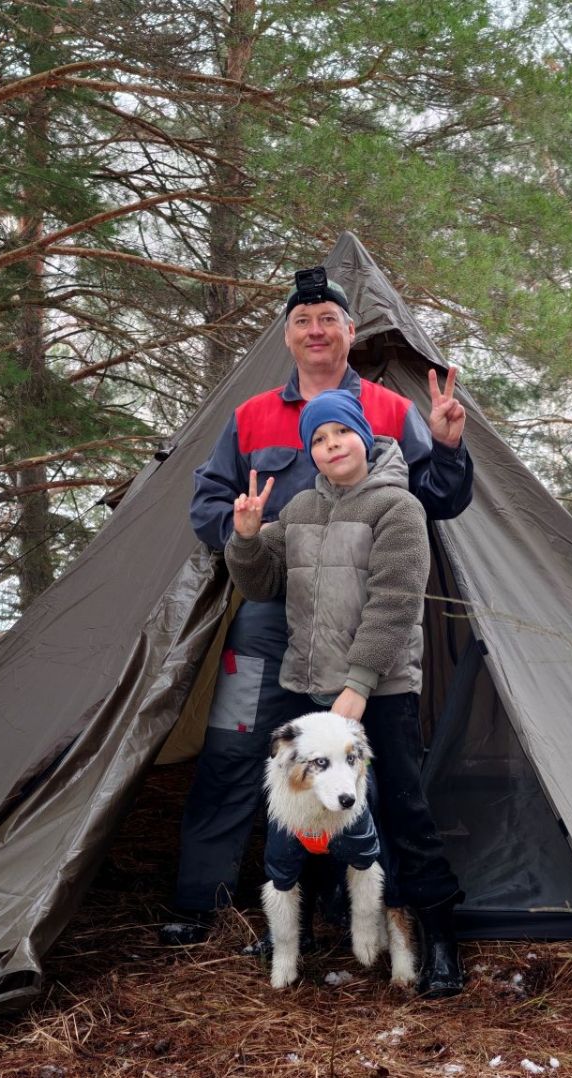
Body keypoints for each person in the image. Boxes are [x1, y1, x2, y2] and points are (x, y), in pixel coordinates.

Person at [165, 266, 472, 993]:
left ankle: (378, 915)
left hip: (367, 635)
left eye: (328, 319)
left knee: (383, 784)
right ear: (288, 336)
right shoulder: (251, 418)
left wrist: (450, 447)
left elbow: (432, 503)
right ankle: (219, 905)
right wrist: (245, 531)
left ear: (348, 332)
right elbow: (215, 510)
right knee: (247, 758)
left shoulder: (394, 413)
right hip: (279, 629)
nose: (315, 331)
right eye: (302, 321)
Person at [226, 389, 460, 996]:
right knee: (302, 811)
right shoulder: (301, 509)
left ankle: (437, 943)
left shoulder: (398, 507)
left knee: (401, 812)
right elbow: (260, 584)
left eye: (340, 434)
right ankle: (319, 928)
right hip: (308, 690)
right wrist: (247, 539)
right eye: (318, 440)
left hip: (379, 692)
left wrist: (358, 687)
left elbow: (395, 604)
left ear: (364, 435)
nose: (331, 447)